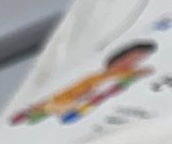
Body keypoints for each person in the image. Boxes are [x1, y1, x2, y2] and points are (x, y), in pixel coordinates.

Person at [9, 41, 157, 125]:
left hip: (81, 104)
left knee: (68, 109)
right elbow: (74, 91)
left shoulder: (123, 76)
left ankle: (37, 112)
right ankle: (33, 112)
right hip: (72, 100)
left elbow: (109, 89)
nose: (132, 63)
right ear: (118, 58)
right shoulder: (98, 76)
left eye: (138, 60)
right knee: (59, 106)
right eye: (131, 58)